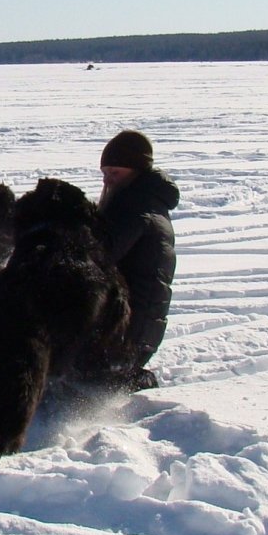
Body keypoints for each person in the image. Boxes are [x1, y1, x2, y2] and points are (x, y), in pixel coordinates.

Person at [97, 130, 180, 391]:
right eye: (105, 173)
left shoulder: (137, 209)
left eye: (115, 173)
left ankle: (134, 379)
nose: (108, 181)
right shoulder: (138, 202)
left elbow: (99, 255)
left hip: (131, 336)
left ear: (136, 171)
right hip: (128, 327)